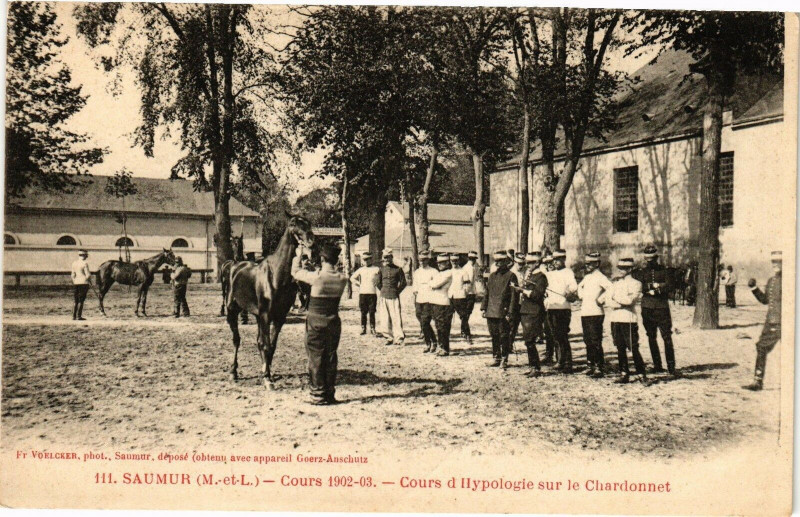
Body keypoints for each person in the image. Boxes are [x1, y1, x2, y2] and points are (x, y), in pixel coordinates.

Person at [292, 243, 348, 405]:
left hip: (315, 321)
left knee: (316, 356)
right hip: (333, 322)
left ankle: (318, 394)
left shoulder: (316, 277)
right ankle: (329, 393)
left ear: (322, 259)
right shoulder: (342, 279)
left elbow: (295, 272)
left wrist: (299, 254)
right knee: (330, 357)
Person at [601, 257, 649, 385]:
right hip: (615, 319)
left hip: (628, 320)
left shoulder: (636, 283)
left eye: (625, 268)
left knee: (633, 347)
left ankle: (641, 374)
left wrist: (615, 298)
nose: (622, 270)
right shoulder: (615, 284)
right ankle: (624, 373)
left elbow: (630, 301)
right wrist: (618, 302)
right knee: (620, 347)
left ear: (631, 269)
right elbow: (608, 301)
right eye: (620, 268)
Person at [635, 244, 677, 376]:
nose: (649, 262)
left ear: (656, 258)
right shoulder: (641, 272)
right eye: (647, 259)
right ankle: (657, 365)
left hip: (661, 307)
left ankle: (671, 367)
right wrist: (655, 285)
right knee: (651, 337)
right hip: (647, 308)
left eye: (652, 259)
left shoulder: (665, 270)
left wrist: (658, 289)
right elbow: (639, 286)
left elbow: (671, 285)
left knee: (666, 336)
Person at [743, 251, 782, 391]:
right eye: (774, 262)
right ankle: (757, 381)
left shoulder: (791, 279)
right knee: (761, 346)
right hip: (771, 321)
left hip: (783, 322)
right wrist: (754, 288)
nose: (776, 264)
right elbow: (765, 300)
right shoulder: (772, 280)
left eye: (779, 261)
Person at [577, 252, 613, 377]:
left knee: (595, 339)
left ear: (597, 264)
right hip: (585, 311)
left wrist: (601, 299)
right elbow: (579, 287)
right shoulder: (587, 277)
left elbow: (611, 288)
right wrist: (581, 295)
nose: (587, 266)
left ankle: (599, 366)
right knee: (587, 339)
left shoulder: (601, 277)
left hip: (596, 312)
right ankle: (590, 364)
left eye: (590, 264)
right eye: (586, 263)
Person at [481, 250, 519, 369]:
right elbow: (487, 293)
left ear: (506, 262)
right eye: (496, 261)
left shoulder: (511, 276)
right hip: (491, 310)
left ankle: (504, 358)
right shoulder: (492, 276)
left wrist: (510, 312)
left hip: (503, 311)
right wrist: (483, 307)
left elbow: (514, 296)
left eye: (501, 261)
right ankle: (496, 357)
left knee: (504, 336)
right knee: (494, 335)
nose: (498, 263)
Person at [546, 249, 578, 373]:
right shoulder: (550, 274)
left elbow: (574, 287)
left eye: (559, 259)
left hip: (563, 308)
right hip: (551, 307)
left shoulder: (568, 272)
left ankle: (567, 363)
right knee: (555, 336)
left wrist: (569, 292)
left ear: (564, 259)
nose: (556, 262)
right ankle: (560, 360)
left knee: (562, 335)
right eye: (554, 259)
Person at [516, 251, 548, 377]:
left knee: (530, 340)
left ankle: (536, 367)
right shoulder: (529, 275)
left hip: (534, 311)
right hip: (526, 310)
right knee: (527, 340)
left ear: (537, 263)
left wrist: (523, 291)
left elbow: (537, 295)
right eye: (526, 262)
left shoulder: (541, 277)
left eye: (530, 262)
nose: (527, 265)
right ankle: (532, 366)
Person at [376, 248, 407, 345]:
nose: (387, 259)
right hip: (384, 296)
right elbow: (378, 283)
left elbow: (403, 283)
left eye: (388, 257)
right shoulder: (381, 270)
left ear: (392, 257)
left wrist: (396, 291)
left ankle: (399, 338)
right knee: (384, 317)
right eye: (385, 258)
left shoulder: (398, 269)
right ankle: (388, 337)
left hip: (394, 296)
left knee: (396, 317)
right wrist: (383, 290)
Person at [412, 250, 438, 353]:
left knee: (425, 321)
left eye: (423, 260)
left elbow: (436, 285)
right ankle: (431, 341)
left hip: (429, 299)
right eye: (420, 260)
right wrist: (415, 293)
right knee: (421, 320)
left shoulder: (434, 271)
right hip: (419, 298)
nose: (421, 262)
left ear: (427, 260)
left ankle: (430, 343)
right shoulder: (417, 272)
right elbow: (415, 285)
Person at [429, 253, 454, 356]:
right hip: (436, 302)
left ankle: (445, 348)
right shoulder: (440, 274)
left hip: (443, 303)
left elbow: (434, 284)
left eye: (442, 263)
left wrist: (432, 283)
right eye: (438, 263)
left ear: (447, 263)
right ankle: (441, 346)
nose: (439, 265)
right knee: (438, 326)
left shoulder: (448, 273)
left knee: (443, 326)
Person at [350, 252, 379, 335]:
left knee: (372, 311)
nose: (366, 261)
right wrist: (359, 284)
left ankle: (373, 328)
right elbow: (352, 278)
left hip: (372, 293)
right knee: (363, 311)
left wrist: (377, 282)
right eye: (364, 259)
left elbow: (379, 279)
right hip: (363, 293)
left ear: (371, 259)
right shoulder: (361, 269)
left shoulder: (376, 269)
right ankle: (363, 328)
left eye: (367, 259)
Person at [448, 253, 473, 344]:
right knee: (447, 317)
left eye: (456, 261)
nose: (454, 262)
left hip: (460, 297)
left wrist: (465, 293)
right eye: (452, 261)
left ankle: (467, 335)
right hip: (450, 296)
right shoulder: (449, 272)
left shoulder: (463, 271)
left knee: (464, 317)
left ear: (458, 261)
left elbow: (467, 285)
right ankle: (446, 336)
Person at [540, 253, 556, 363]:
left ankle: (560, 357)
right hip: (546, 306)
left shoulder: (559, 275)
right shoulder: (545, 275)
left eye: (551, 262)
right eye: (547, 263)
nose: (549, 265)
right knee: (547, 330)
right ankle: (549, 353)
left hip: (557, 306)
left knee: (557, 331)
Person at [71, 249, 92, 321]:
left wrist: (75, 281)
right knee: (81, 300)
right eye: (86, 255)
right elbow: (88, 275)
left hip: (76, 283)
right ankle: (78, 316)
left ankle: (73, 316)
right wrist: (89, 280)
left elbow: (72, 275)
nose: (86, 257)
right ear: (84, 255)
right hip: (84, 283)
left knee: (76, 300)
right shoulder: (85, 263)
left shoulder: (74, 263)